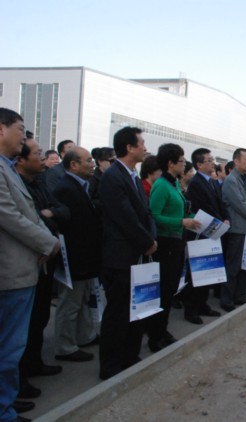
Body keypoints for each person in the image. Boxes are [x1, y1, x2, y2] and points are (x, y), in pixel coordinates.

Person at [0, 108, 59, 420]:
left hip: (21, 269)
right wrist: (47, 242)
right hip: (9, 272)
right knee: (7, 349)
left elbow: (30, 213)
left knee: (11, 348)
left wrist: (44, 239)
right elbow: (10, 216)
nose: (24, 137)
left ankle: (6, 404)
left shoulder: (7, 168)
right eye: (20, 129)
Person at [98, 127, 157, 380]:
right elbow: (125, 217)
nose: (145, 148)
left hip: (138, 253)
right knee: (118, 312)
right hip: (120, 255)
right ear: (130, 147)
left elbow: (145, 213)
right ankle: (110, 365)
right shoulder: (113, 177)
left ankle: (129, 356)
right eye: (141, 143)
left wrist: (150, 237)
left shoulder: (131, 175)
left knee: (136, 309)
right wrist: (146, 241)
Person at [14, 134, 66, 409]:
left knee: (40, 317)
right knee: (19, 328)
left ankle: (33, 364)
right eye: (36, 154)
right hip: (27, 260)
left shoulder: (41, 183)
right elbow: (23, 219)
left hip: (47, 260)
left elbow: (61, 210)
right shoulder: (15, 183)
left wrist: (51, 213)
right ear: (21, 161)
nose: (43, 159)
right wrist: (46, 233)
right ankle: (17, 381)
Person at [146, 144, 201, 351]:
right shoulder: (161, 185)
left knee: (170, 291)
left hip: (178, 241)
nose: (185, 164)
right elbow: (154, 216)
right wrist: (181, 222)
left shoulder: (174, 183)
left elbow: (181, 211)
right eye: (181, 161)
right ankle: (155, 336)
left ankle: (162, 330)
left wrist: (194, 219)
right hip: (166, 243)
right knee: (164, 291)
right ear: (170, 163)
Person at [52, 147, 101, 362]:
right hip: (74, 258)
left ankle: (84, 336)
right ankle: (65, 347)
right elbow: (69, 227)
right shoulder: (66, 188)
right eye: (88, 160)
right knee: (70, 304)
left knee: (82, 301)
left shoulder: (80, 186)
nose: (92, 164)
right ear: (73, 164)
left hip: (85, 257)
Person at [181, 148, 225, 324]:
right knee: (196, 272)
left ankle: (202, 304)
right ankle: (191, 309)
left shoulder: (212, 182)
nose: (213, 163)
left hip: (213, 231)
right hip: (200, 232)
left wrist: (225, 219)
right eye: (209, 160)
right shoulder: (196, 183)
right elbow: (203, 208)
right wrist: (218, 220)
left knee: (209, 271)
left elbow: (220, 203)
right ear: (199, 164)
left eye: (212, 159)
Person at [220, 148, 246, 312]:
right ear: (236, 161)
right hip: (238, 229)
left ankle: (239, 295)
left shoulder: (245, 180)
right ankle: (227, 299)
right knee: (233, 266)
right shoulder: (231, 181)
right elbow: (240, 205)